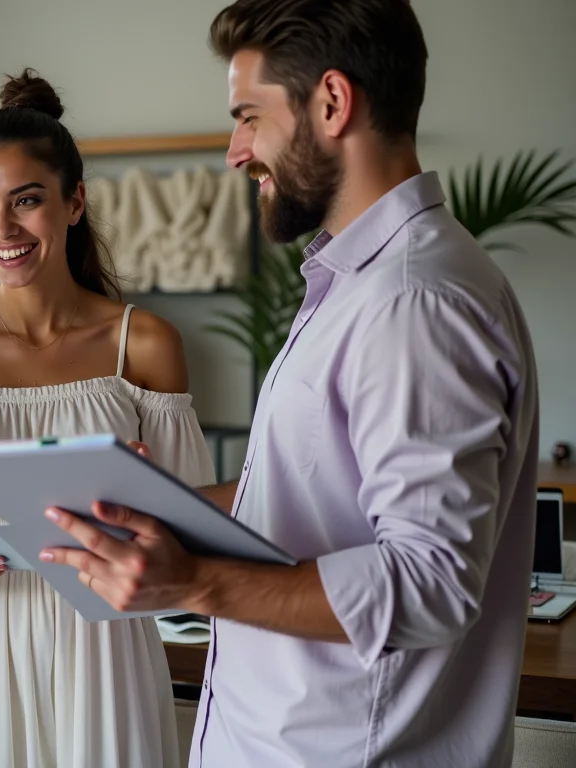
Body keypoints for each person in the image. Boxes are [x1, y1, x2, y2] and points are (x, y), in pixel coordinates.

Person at [40, 2, 541, 767]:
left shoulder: (412, 301)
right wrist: (155, 507)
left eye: (248, 117)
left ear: (333, 103)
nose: (237, 152)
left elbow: (431, 579)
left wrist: (200, 584)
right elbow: (311, 493)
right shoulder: (357, 286)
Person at [0, 69, 216, 768]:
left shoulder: (142, 346)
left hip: (104, 655)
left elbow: (195, 533)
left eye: (26, 201)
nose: (2, 231)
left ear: (74, 202)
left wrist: (144, 507)